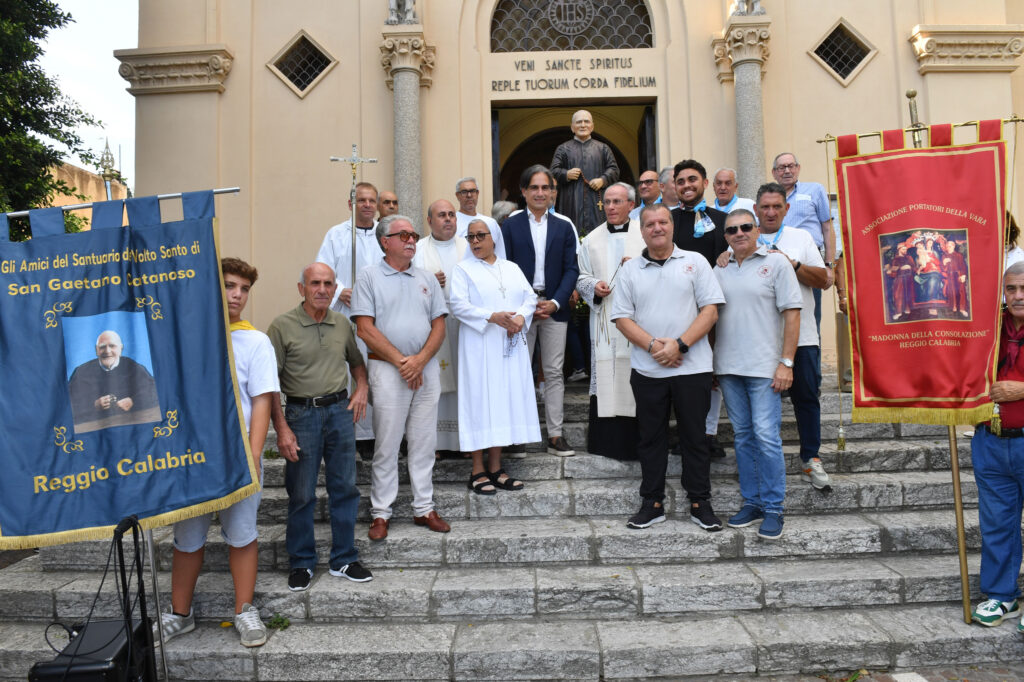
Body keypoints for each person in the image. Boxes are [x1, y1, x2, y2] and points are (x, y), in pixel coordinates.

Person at [155, 257, 279, 648]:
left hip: (237, 449)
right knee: (187, 535)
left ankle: (244, 610)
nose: (237, 295)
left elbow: (261, 401)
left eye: (243, 288)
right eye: (229, 286)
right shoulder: (185, 337)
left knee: (241, 534)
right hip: (192, 451)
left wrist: (254, 456)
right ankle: (180, 613)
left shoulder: (255, 341)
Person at [611, 204, 726, 531]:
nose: (657, 228)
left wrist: (680, 345)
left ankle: (700, 502)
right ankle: (652, 502)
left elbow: (710, 312)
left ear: (672, 226)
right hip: (648, 371)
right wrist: (653, 346)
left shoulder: (695, 262)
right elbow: (621, 317)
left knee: (695, 438)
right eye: (650, 224)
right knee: (650, 439)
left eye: (662, 222)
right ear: (642, 230)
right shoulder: (631, 269)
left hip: (693, 370)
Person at [268, 262, 372, 591]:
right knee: (301, 493)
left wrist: (362, 389)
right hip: (301, 415)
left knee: (346, 488)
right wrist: (281, 428)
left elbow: (357, 363)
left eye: (328, 283)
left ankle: (344, 558)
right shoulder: (282, 326)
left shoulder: (341, 323)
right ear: (302, 288)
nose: (323, 290)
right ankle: (301, 561)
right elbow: (269, 385)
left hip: (340, 413)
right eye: (315, 283)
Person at [721, 182, 832, 490]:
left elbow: (824, 280)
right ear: (756, 211)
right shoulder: (739, 238)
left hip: (802, 335)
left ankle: (811, 458)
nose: (770, 212)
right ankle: (762, 473)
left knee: (806, 398)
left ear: (787, 209)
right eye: (765, 207)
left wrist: (790, 262)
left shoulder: (801, 237)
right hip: (758, 345)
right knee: (759, 422)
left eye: (777, 207)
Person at [353, 214, 451, 541]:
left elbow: (439, 325)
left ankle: (424, 508)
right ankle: (381, 512)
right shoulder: (368, 276)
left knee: (424, 442)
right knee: (387, 443)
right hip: (387, 370)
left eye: (413, 234)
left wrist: (419, 361)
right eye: (404, 235)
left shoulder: (425, 277)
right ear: (385, 241)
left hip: (424, 371)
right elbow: (364, 328)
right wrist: (402, 362)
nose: (412, 240)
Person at [713, 211, 802, 540]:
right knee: (744, 437)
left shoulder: (777, 264)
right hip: (728, 368)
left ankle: (774, 507)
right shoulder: (719, 268)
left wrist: (787, 363)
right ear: (725, 237)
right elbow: (710, 315)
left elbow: (792, 314)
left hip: (766, 368)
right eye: (731, 230)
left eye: (745, 227)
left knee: (766, 437)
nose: (738, 233)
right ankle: (752, 502)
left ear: (757, 230)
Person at [450, 218, 540, 494]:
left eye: (480, 236)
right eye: (470, 237)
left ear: (494, 237)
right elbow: (457, 305)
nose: (475, 241)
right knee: (480, 401)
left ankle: (496, 467)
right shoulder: (462, 270)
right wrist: (491, 316)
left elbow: (530, 297)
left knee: (502, 401)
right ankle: (477, 469)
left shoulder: (511, 268)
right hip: (479, 346)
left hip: (508, 345)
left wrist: (520, 318)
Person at [502, 164, 579, 457]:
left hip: (554, 308)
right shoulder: (509, 225)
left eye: (545, 187)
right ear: (523, 191)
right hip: (521, 311)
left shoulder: (563, 225)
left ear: (553, 192)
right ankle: (517, 436)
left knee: (554, 372)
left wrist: (556, 302)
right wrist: (527, 304)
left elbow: (572, 269)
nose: (540, 192)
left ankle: (556, 435)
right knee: (520, 371)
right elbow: (504, 269)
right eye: (534, 187)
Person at [970, 260, 1024, 630]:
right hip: (990, 441)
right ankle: (1001, 597)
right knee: (996, 523)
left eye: (1023, 289)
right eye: (1011, 290)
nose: (1018, 296)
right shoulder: (985, 330)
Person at [576, 182, 644, 460]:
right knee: (607, 378)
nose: (612, 207)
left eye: (618, 201)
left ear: (631, 204)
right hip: (605, 322)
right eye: (608, 202)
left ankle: (640, 443)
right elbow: (581, 277)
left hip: (640, 322)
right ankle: (607, 443)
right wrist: (594, 286)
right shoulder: (591, 239)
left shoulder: (646, 234)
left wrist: (639, 266)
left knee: (636, 380)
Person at [315, 181, 382, 451]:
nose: (366, 205)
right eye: (361, 200)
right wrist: (340, 289)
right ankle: (343, 432)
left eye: (371, 200)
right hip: (344, 312)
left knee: (374, 370)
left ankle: (370, 435)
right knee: (344, 369)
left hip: (377, 316)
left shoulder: (385, 233)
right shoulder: (336, 234)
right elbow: (322, 269)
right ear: (351, 204)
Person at [672, 159, 730, 459]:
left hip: (714, 312)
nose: (686, 186)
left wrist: (727, 255)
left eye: (692, 180)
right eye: (680, 181)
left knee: (711, 374)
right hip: (677, 312)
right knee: (683, 376)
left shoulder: (723, 220)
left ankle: (708, 434)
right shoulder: (666, 221)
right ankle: (686, 433)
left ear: (704, 183)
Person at [413, 199, 469, 455]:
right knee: (436, 379)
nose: (448, 219)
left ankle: (466, 441)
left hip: (465, 324)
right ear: (429, 221)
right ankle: (437, 442)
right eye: (442, 215)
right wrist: (427, 282)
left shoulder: (469, 247)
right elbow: (405, 283)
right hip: (431, 324)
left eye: (451, 215)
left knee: (466, 380)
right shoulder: (418, 249)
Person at [771, 152, 836, 331]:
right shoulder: (769, 196)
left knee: (811, 320)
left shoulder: (814, 190)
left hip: (809, 261)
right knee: (778, 317)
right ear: (774, 173)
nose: (787, 171)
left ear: (798, 168)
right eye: (781, 167)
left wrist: (829, 265)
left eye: (791, 166)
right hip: (776, 260)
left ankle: (812, 359)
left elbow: (828, 228)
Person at [68, 330, 160, 433]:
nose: (107, 351)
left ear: (121, 349)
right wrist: (94, 405)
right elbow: (68, 403)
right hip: (94, 433)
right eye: (102, 347)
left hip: (132, 430)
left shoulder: (134, 367)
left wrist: (133, 401)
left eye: (112, 346)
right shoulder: (81, 372)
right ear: (96, 350)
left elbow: (155, 393)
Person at [550, 109, 619, 235]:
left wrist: (603, 180)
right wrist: (566, 174)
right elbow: (552, 172)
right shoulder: (563, 149)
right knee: (571, 235)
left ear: (592, 126)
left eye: (586, 121)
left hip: (597, 202)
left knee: (599, 237)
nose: (583, 125)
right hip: (571, 202)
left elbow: (614, 170)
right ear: (572, 127)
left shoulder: (603, 148)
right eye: (579, 122)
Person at [454, 176, 506, 258]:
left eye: (472, 191)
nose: (469, 195)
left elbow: (500, 254)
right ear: (457, 195)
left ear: (477, 193)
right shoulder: (452, 222)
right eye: (464, 192)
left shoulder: (490, 222)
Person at [941, 240, 969, 317]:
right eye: (947, 247)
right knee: (952, 292)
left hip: (958, 275)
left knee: (961, 292)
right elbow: (942, 268)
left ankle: (962, 309)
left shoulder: (959, 255)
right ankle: (954, 307)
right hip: (949, 276)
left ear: (953, 246)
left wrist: (963, 275)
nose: (948, 248)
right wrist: (944, 263)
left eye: (949, 246)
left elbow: (963, 267)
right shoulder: (944, 256)